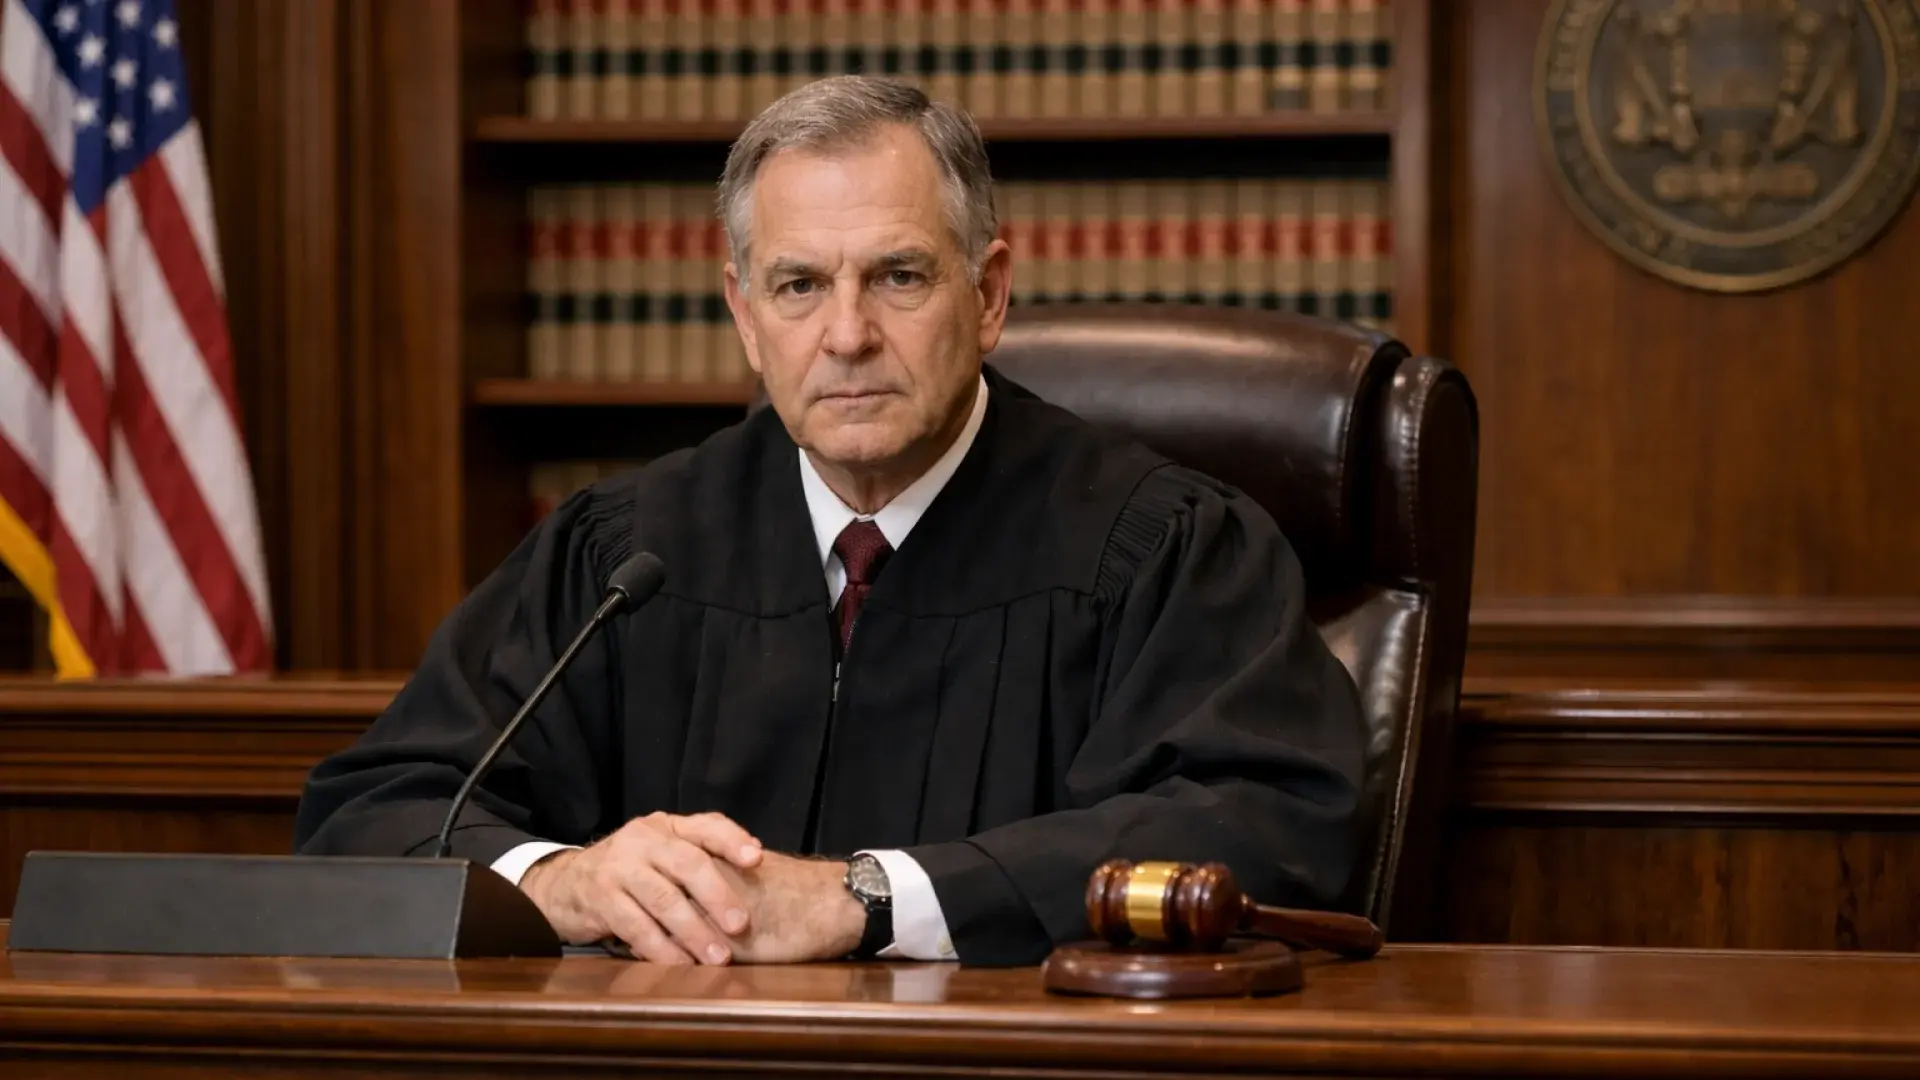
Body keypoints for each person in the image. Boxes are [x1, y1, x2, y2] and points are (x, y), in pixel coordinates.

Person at [294, 75, 1365, 968]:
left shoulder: (1161, 548)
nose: (845, 334)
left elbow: (1265, 832)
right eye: (799, 285)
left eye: (898, 276)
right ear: (744, 318)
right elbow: (372, 816)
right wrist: (564, 883)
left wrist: (872, 897)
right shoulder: (628, 551)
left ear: (989, 294)